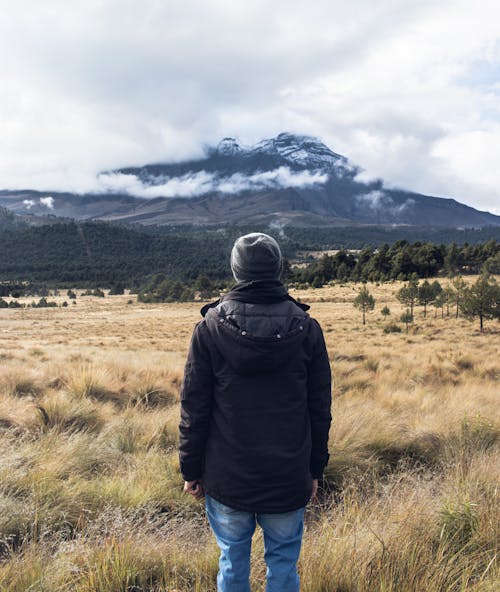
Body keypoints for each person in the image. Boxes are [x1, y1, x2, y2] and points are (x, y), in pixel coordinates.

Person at [179, 232, 332, 592]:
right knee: (283, 565)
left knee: (232, 562)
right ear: (277, 269)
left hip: (227, 476)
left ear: (236, 271)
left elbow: (194, 409)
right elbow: (319, 410)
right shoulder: (307, 330)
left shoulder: (209, 329)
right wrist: (315, 470)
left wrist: (191, 469)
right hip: (288, 475)